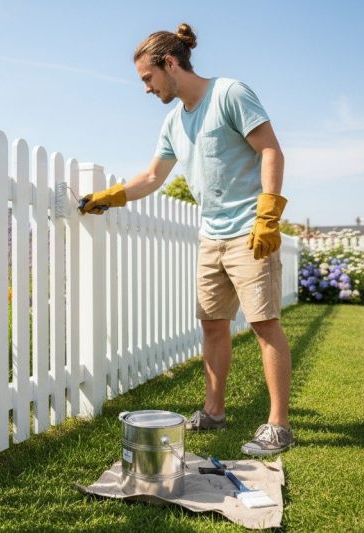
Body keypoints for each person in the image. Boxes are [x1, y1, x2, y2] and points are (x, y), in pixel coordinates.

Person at [79, 23, 293, 456]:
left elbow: (270, 149)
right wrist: (109, 196)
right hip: (210, 236)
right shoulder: (174, 121)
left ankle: (279, 425)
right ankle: (214, 412)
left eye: (148, 77)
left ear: (170, 64)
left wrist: (268, 215)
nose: (146, 88)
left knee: (264, 324)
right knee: (212, 325)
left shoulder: (230, 93)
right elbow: (152, 177)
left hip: (250, 231)